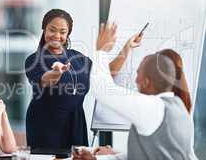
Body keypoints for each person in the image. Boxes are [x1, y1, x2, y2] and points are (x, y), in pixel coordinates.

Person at [73, 24, 198, 160]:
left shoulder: (154, 108)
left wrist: (101, 50)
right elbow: (147, 155)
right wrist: (98, 158)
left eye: (138, 73)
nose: (135, 79)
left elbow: (104, 92)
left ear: (146, 82)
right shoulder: (179, 107)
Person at [25, 9, 142, 149]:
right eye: (52, 30)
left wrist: (127, 47)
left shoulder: (78, 58)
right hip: (46, 126)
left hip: (76, 124)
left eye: (62, 32)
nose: (57, 35)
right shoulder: (34, 60)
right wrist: (56, 72)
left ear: (68, 34)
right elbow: (46, 79)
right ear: (44, 29)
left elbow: (106, 72)